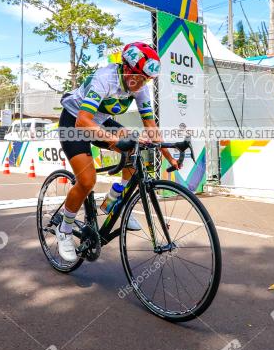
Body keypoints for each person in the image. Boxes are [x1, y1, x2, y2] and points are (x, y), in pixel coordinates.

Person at [55, 42, 182, 262]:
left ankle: (112, 202)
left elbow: (151, 127)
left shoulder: (140, 87)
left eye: (145, 80)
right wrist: (115, 140)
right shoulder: (105, 78)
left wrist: (170, 154)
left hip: (100, 122)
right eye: (137, 77)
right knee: (86, 181)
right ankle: (64, 229)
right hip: (75, 122)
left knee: (134, 153)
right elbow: (83, 122)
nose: (140, 84)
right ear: (125, 68)